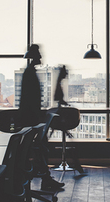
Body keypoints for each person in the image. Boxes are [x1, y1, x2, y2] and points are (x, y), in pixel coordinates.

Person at [17, 44, 65, 190]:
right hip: (31, 120)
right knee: (40, 148)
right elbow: (31, 100)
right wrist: (38, 118)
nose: (41, 58)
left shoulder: (29, 73)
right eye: (39, 55)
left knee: (37, 149)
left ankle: (34, 179)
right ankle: (45, 179)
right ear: (34, 56)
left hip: (30, 119)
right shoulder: (30, 74)